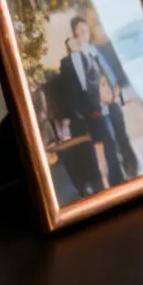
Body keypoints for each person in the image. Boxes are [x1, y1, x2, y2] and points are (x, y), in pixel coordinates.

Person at [65, 16, 135, 187]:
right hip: (97, 109)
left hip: (113, 102)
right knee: (109, 144)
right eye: (78, 33)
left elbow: (112, 71)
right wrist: (87, 109)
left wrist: (116, 88)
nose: (82, 35)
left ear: (89, 31)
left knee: (122, 135)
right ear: (74, 36)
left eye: (84, 31)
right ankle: (117, 180)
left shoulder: (98, 50)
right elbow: (79, 88)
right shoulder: (76, 59)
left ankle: (132, 167)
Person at [48, 38, 103, 197]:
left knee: (100, 143)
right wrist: (73, 112)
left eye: (75, 42)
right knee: (84, 149)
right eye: (70, 43)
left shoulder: (89, 59)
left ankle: (99, 179)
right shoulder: (65, 67)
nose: (74, 45)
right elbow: (66, 92)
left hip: (92, 111)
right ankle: (90, 182)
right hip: (77, 116)